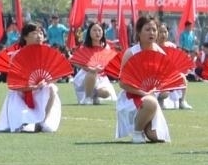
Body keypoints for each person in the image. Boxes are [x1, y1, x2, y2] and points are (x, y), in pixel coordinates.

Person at [0, 22, 62, 133]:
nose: (39, 36)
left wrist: (45, 82)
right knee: (14, 97)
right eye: (35, 33)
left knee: (52, 88)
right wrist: (32, 87)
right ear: (25, 37)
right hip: (22, 92)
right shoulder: (16, 55)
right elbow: (14, 83)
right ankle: (22, 121)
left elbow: (56, 75)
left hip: (41, 90)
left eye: (41, 33)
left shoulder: (47, 54)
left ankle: (43, 121)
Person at [116, 16, 170, 144]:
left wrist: (163, 91)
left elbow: (164, 81)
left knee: (156, 137)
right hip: (132, 96)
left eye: (154, 29)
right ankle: (137, 132)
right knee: (150, 102)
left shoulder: (161, 54)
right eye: (147, 29)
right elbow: (122, 83)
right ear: (139, 33)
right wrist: (143, 93)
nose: (152, 33)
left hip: (151, 96)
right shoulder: (131, 53)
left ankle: (143, 125)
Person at [71, 22, 117, 105]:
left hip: (101, 76)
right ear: (89, 32)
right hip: (86, 75)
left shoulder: (106, 47)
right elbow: (75, 61)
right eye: (94, 30)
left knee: (106, 93)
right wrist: (90, 68)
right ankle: (87, 98)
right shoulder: (84, 47)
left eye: (99, 30)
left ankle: (94, 95)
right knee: (92, 72)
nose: (97, 33)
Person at [155, 21, 192, 109]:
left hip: (170, 75)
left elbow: (176, 61)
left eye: (165, 32)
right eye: (160, 32)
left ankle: (182, 101)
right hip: (157, 76)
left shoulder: (172, 46)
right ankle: (159, 102)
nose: (163, 34)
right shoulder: (153, 47)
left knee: (182, 77)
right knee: (163, 92)